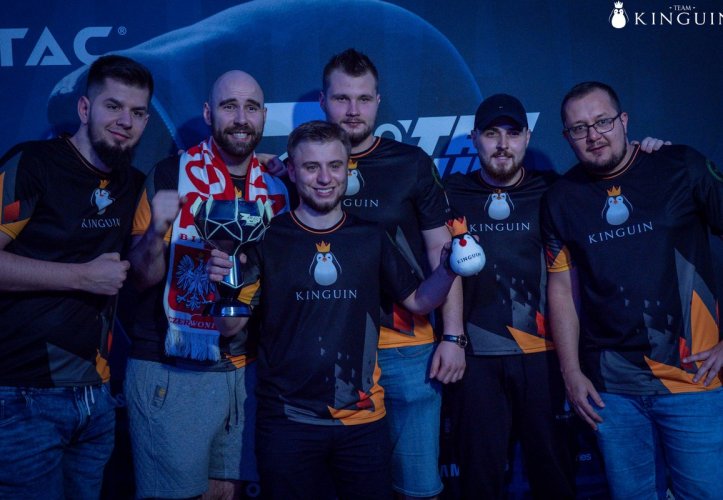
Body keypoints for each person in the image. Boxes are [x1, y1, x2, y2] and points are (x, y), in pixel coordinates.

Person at [207, 120, 459, 500]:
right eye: (311, 167)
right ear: (292, 171)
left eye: (334, 166)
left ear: (347, 169)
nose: (325, 178)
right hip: (287, 420)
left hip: (362, 420)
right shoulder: (267, 238)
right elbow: (230, 328)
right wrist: (223, 287)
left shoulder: (371, 236)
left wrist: (448, 270)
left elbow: (420, 301)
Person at [542, 81, 723, 499]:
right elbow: (562, 290)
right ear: (567, 137)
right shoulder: (561, 199)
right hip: (612, 390)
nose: (593, 135)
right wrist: (571, 373)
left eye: (603, 121)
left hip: (693, 378)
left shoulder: (679, 165)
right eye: (579, 128)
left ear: (624, 121)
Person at [124, 70, 288, 499]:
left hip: (247, 372)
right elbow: (139, 277)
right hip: (174, 367)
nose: (241, 118)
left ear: (264, 115)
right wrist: (156, 231)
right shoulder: (170, 174)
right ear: (208, 113)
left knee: (226, 493)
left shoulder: (281, 185)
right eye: (229, 106)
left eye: (251, 107)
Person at [0, 54, 152, 499]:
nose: (125, 121)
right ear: (85, 108)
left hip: (96, 398)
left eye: (138, 112)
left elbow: (145, 272)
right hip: (23, 395)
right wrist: (81, 277)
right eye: (113, 106)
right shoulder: (33, 163)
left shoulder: (133, 183)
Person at [318, 48, 464, 500]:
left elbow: (445, 253)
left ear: (378, 102)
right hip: (332, 349)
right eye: (341, 98)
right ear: (324, 101)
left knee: (417, 488)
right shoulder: (305, 167)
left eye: (363, 99)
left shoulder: (411, 163)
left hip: (407, 347)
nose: (353, 110)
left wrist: (453, 335)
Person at [444, 94, 576, 499]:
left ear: (527, 137)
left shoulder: (554, 189)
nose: (502, 144)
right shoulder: (449, 194)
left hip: (544, 357)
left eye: (513, 133)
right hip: (475, 360)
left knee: (554, 478)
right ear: (474, 138)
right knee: (479, 483)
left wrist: (648, 151)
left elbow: (611, 176)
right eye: (491, 133)